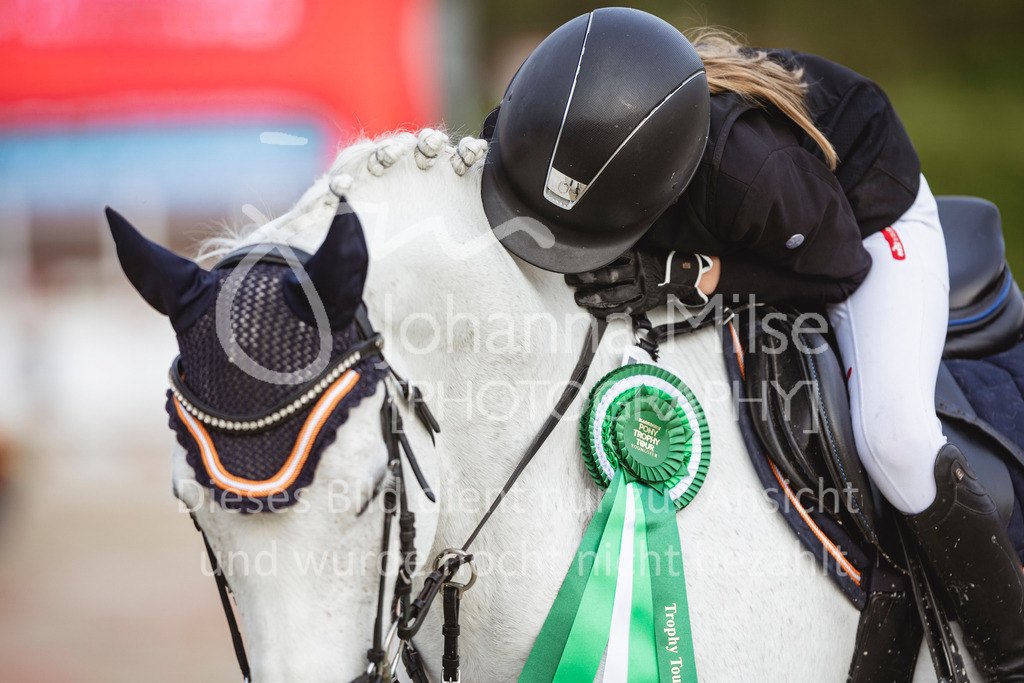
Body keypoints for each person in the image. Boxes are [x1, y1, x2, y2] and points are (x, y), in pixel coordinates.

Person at [478, 7, 1024, 679]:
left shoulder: (751, 171)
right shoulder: (533, 123)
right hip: (759, 207)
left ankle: (1008, 648)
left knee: (897, 437)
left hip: (862, 219)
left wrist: (695, 273)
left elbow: (837, 268)